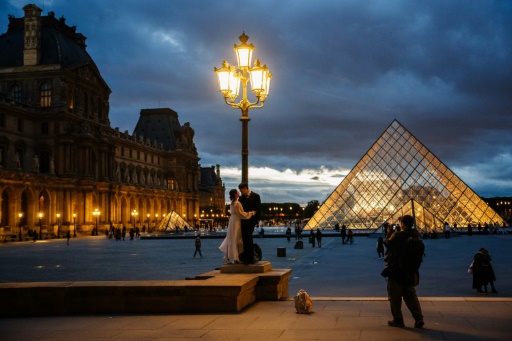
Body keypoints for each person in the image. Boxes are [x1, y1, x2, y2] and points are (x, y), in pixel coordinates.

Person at [384, 215, 424, 329]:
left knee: (394, 297)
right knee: (411, 296)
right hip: (410, 272)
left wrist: (389, 233)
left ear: (402, 224)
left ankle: (398, 320)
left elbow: (388, 245)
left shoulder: (399, 235)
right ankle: (419, 318)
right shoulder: (416, 235)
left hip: (397, 271)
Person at [219, 189, 256, 264]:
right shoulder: (237, 203)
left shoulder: (231, 203)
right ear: (235, 194)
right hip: (236, 221)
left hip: (231, 221)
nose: (239, 193)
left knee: (231, 237)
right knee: (237, 238)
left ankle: (227, 257)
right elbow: (242, 214)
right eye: (237, 192)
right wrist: (251, 213)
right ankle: (236, 258)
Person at [238, 182, 261, 264]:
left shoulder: (256, 196)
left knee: (248, 238)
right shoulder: (240, 198)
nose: (241, 192)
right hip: (243, 221)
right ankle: (247, 257)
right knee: (245, 239)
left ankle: (250, 258)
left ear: (245, 188)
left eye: (241, 190)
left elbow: (258, 209)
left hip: (251, 221)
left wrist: (256, 221)